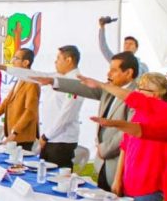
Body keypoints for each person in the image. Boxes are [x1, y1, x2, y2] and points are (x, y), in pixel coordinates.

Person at [51, 52, 138, 191]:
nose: (109, 73)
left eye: (114, 70)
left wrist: (105, 149)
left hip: (119, 165)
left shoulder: (136, 96)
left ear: (128, 73)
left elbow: (130, 130)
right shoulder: (110, 89)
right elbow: (83, 88)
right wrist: (54, 81)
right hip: (103, 164)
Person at [0, 48, 39, 150]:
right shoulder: (21, 78)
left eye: (16, 58)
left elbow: (30, 112)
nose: (12, 61)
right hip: (14, 136)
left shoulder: (32, 81)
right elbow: (6, 102)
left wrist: (15, 132)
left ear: (25, 63)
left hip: (22, 137)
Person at [34, 45, 83, 166]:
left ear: (68, 60)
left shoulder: (75, 81)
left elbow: (66, 115)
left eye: (58, 58)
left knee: (57, 175)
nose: (55, 62)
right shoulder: (59, 77)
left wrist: (46, 136)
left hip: (61, 141)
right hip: (51, 138)